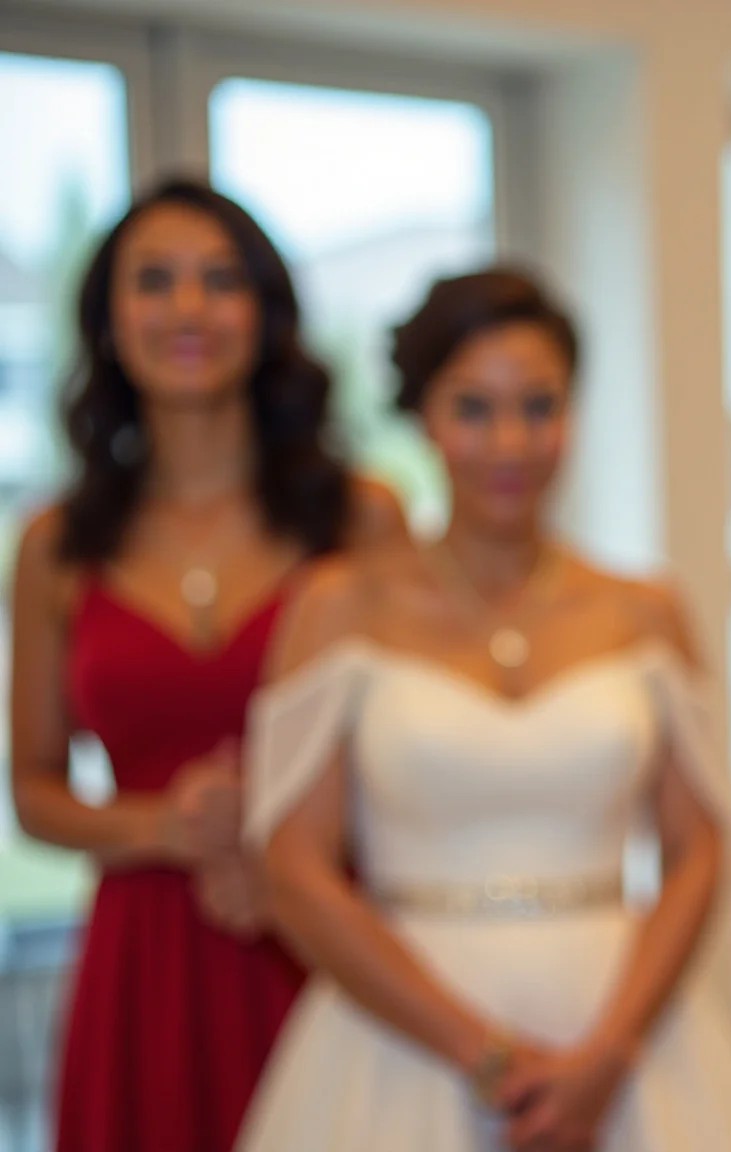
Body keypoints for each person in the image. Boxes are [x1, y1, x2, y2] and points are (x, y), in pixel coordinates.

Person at [235, 269, 731, 1151]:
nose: (510, 442)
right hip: (399, 1042)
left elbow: (698, 848)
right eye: (474, 409)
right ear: (423, 416)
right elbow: (295, 868)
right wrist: (482, 1056)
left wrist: (609, 1054)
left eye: (539, 406)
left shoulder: (645, 611)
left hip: (617, 1037)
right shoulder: (338, 607)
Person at [6, 177, 406, 1152]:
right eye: (154, 281)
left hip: (318, 935)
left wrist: (286, 845)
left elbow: (415, 753)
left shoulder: (360, 520)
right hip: (140, 959)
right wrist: (164, 826)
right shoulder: (57, 544)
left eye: (220, 281)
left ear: (265, 315)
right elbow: (34, 791)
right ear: (108, 321)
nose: (187, 308)